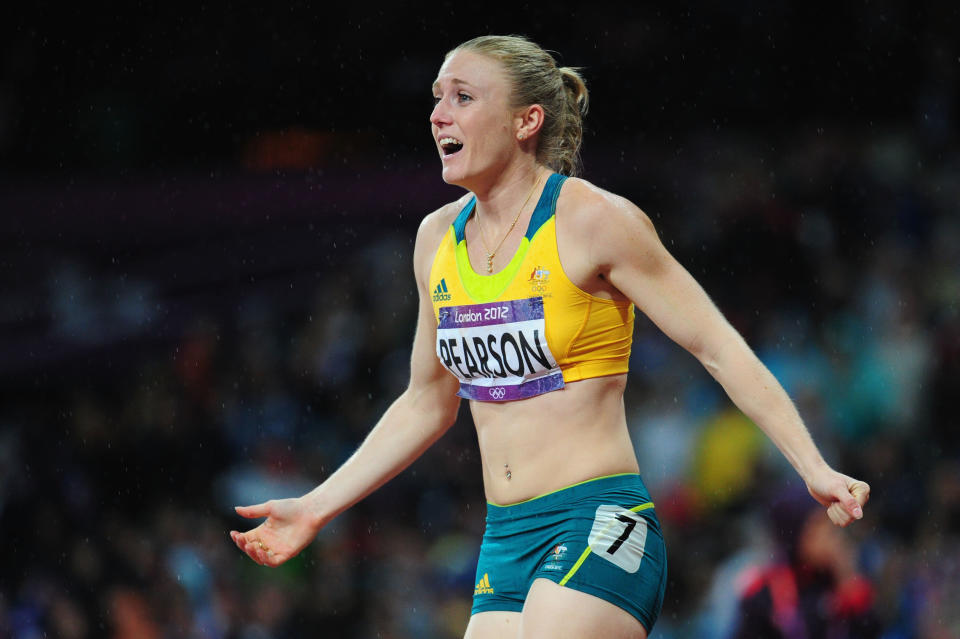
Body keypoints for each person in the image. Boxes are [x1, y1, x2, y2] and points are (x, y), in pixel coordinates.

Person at [229, 35, 871, 638]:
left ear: (525, 121)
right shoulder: (435, 241)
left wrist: (811, 466)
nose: (438, 115)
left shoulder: (593, 220)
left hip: (600, 521)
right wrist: (317, 506)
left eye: (462, 97)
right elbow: (428, 402)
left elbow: (716, 346)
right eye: (435, 98)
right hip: (504, 538)